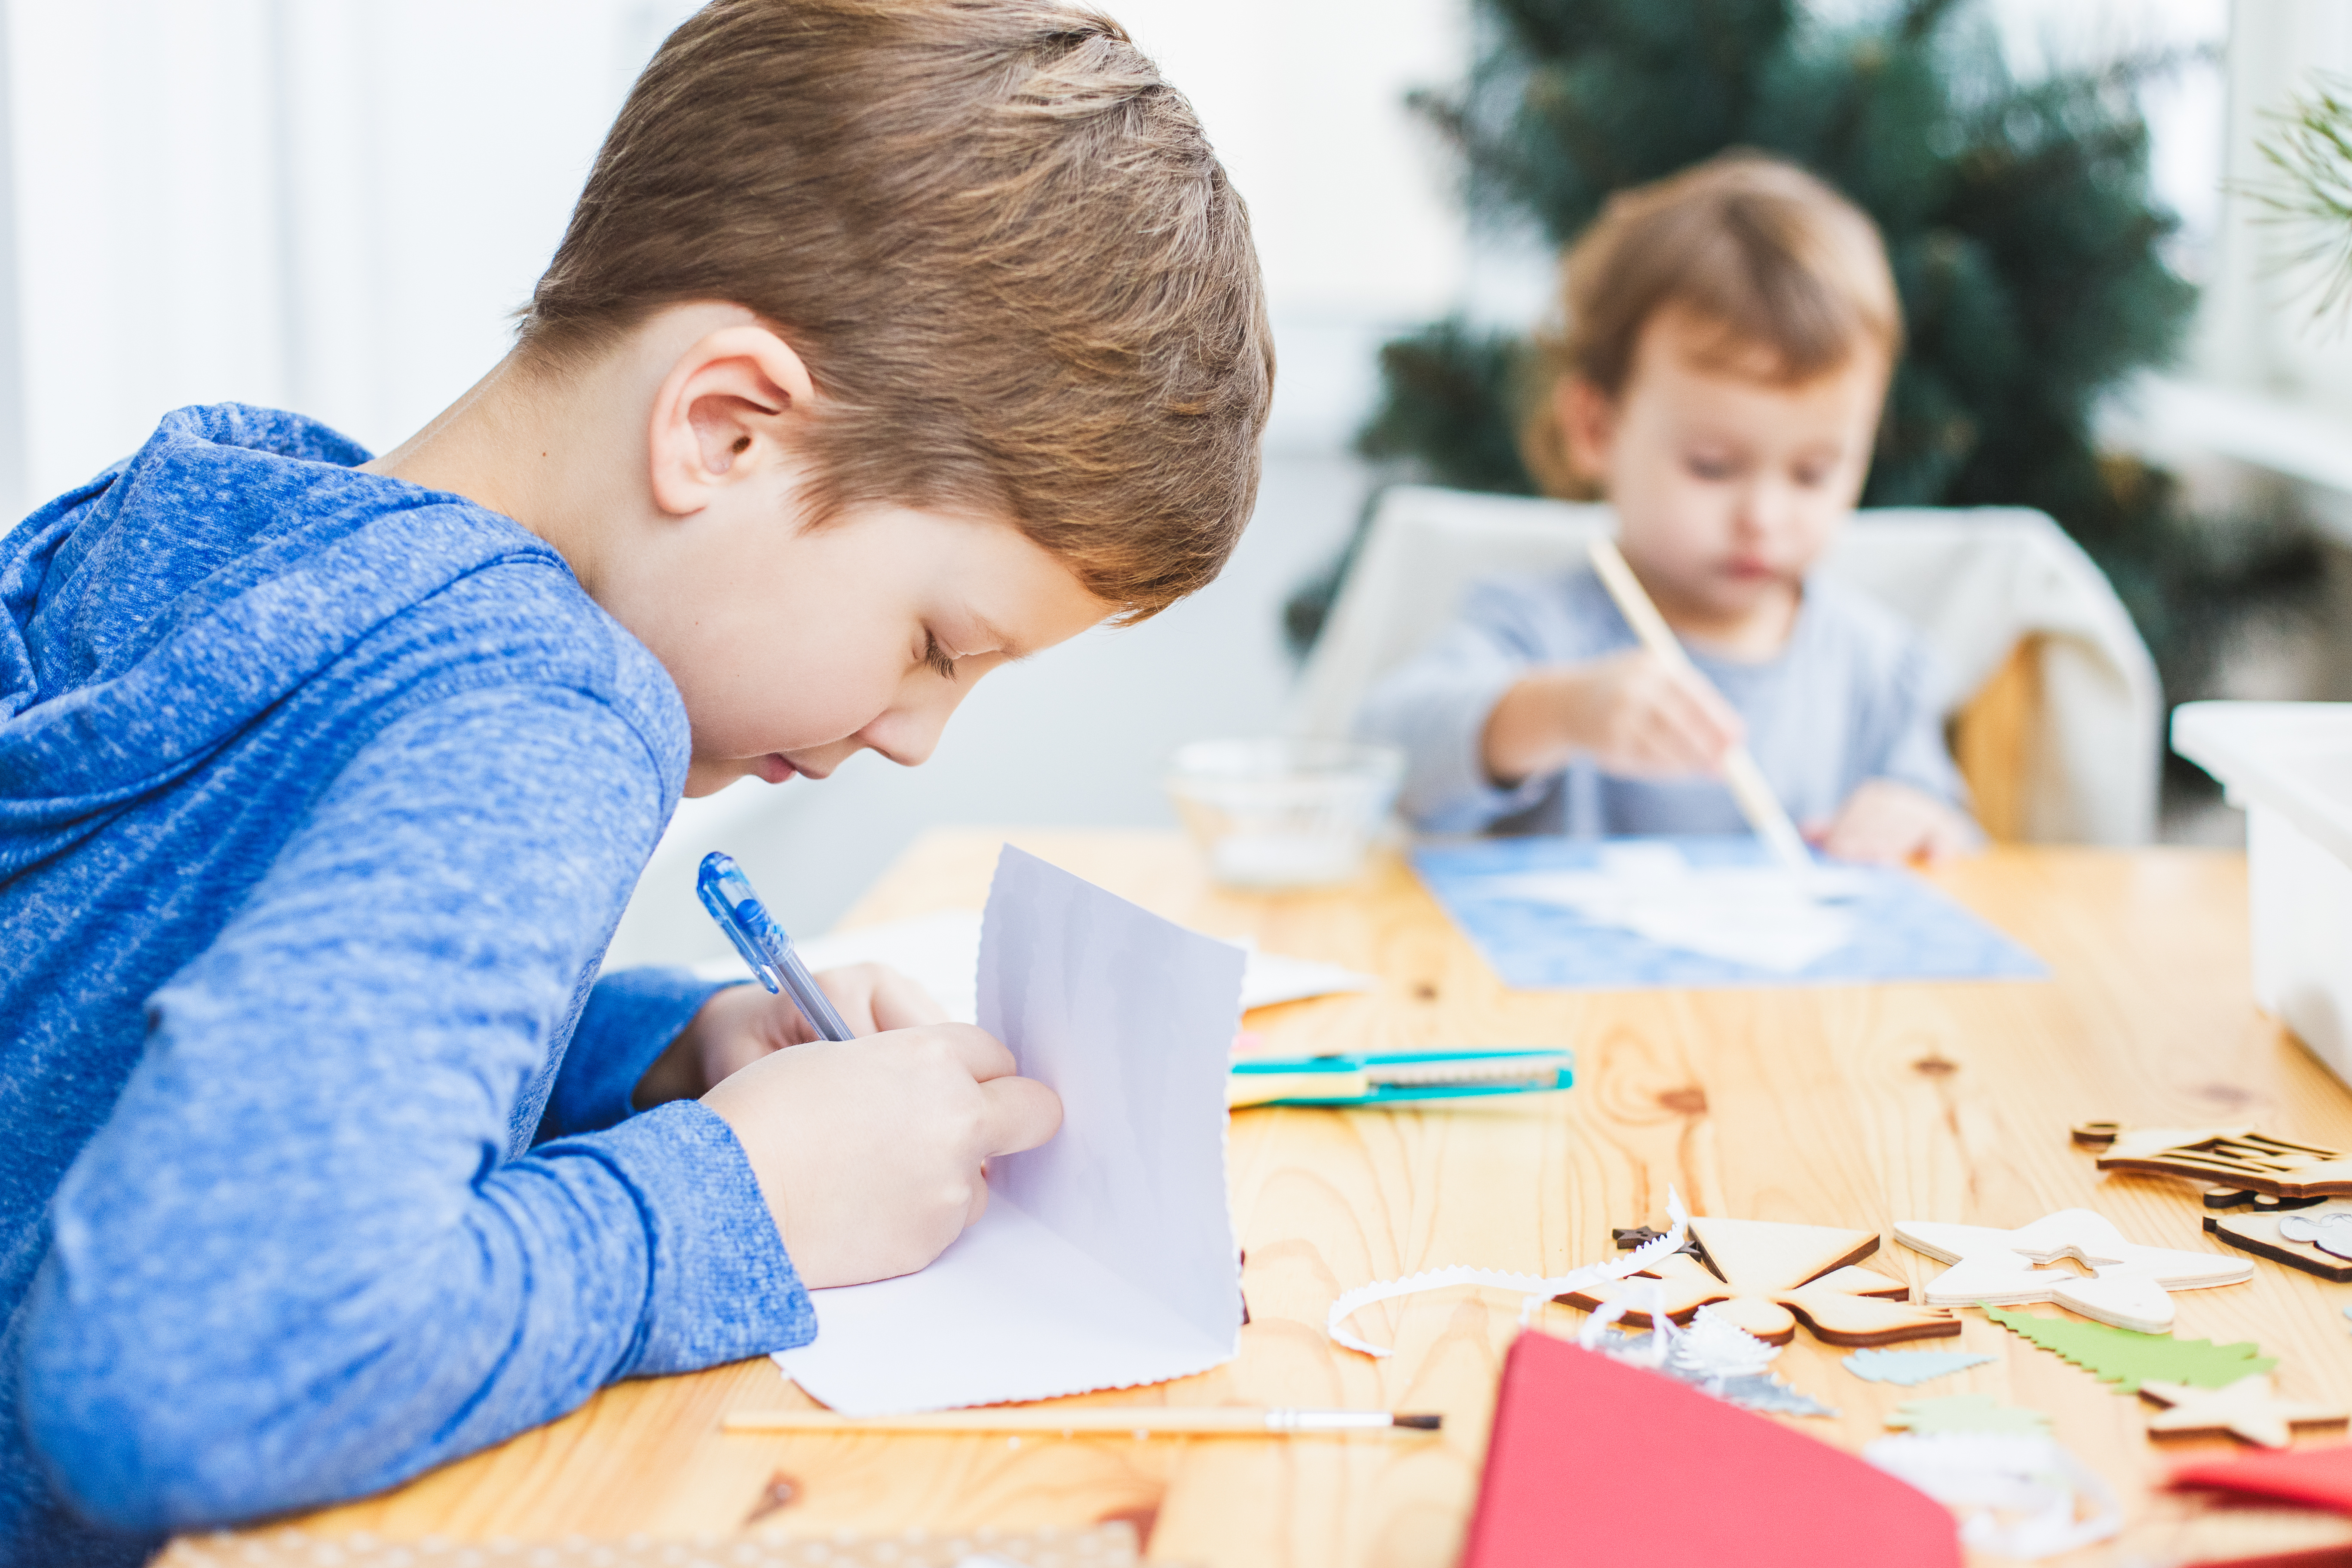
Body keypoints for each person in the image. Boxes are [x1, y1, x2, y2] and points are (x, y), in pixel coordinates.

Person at [0, 3, 1270, 1561]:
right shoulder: (549, 707)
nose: (917, 732)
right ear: (727, 430)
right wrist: (742, 1192)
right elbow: (187, 1377)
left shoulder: (216, 523)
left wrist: (652, 1053)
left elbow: (125, 1006)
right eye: (937, 641)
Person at [1357, 153, 1976, 864]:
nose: (1763, 517)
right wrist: (1560, 712)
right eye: (1712, 466)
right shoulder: (1539, 631)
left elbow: (1951, 839)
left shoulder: (1877, 668)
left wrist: (1921, 821)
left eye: (1814, 473)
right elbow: (1388, 757)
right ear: (1596, 429)